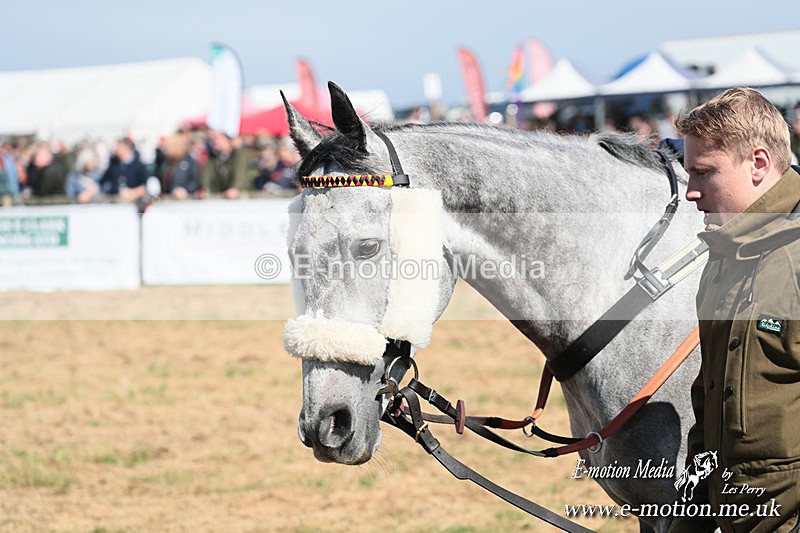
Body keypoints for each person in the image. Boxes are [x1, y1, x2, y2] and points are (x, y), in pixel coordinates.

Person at [669, 87, 800, 532]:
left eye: (704, 173)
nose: (690, 192)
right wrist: (691, 514)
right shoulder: (721, 260)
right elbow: (708, 407)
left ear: (759, 164)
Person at [201, 129, 249, 199]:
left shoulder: (239, 154)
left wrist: (235, 188)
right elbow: (207, 175)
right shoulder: (213, 157)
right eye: (212, 139)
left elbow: (240, 172)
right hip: (224, 194)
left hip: (244, 192)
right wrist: (204, 189)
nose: (213, 142)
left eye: (216, 138)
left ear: (227, 140)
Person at [100, 137, 148, 201]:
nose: (116, 149)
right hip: (115, 201)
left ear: (126, 149)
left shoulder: (139, 166)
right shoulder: (113, 164)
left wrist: (132, 193)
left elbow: (143, 187)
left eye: (118, 147)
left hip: (133, 202)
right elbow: (103, 181)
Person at [157, 131, 200, 199]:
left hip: (186, 199)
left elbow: (195, 181)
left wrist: (185, 190)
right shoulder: (167, 163)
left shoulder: (189, 162)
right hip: (169, 198)